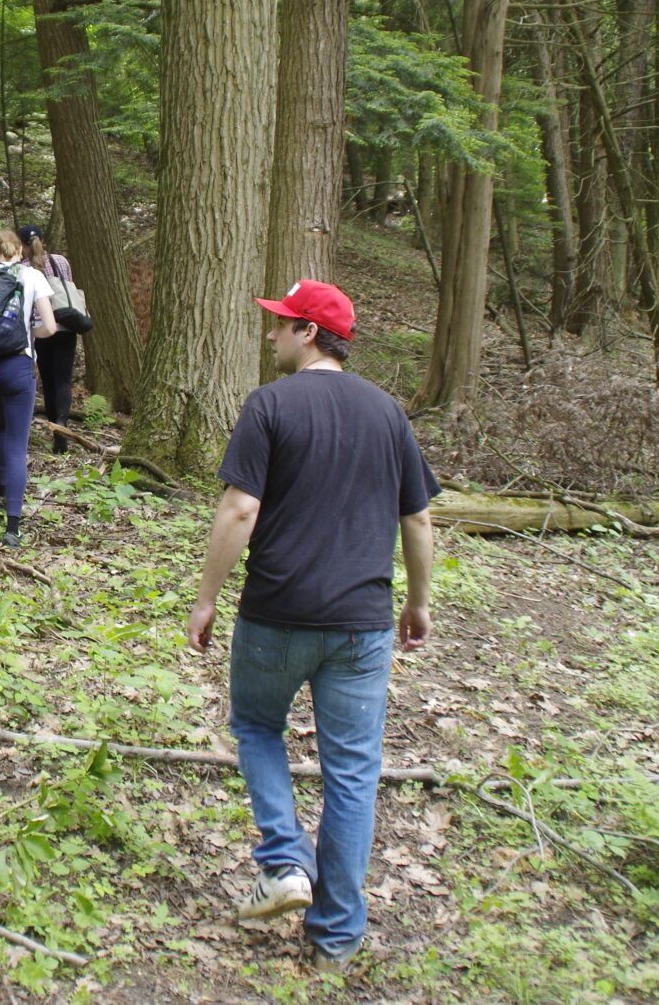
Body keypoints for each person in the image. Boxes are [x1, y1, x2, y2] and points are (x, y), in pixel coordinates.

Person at [184, 280, 437, 977]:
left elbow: (240, 510)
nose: (271, 337)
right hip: (363, 622)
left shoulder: (270, 405)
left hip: (277, 612)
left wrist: (206, 598)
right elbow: (416, 518)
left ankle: (285, 861)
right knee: (353, 769)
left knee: (259, 728)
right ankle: (335, 937)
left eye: (280, 326)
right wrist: (418, 601)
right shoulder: (388, 413)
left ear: (308, 333)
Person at [0, 228, 57, 548]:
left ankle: (0, 493)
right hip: (19, 365)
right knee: (17, 443)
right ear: (19, 251)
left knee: (0, 428)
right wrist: (29, 334)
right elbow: (49, 327)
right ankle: (13, 526)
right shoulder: (32, 275)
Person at [19, 225, 79, 453]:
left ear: (22, 245)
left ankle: (55, 426)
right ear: (43, 241)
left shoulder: (22, 269)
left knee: (48, 379)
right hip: (67, 323)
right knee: (63, 379)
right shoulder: (61, 261)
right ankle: (62, 424)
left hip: (40, 328)